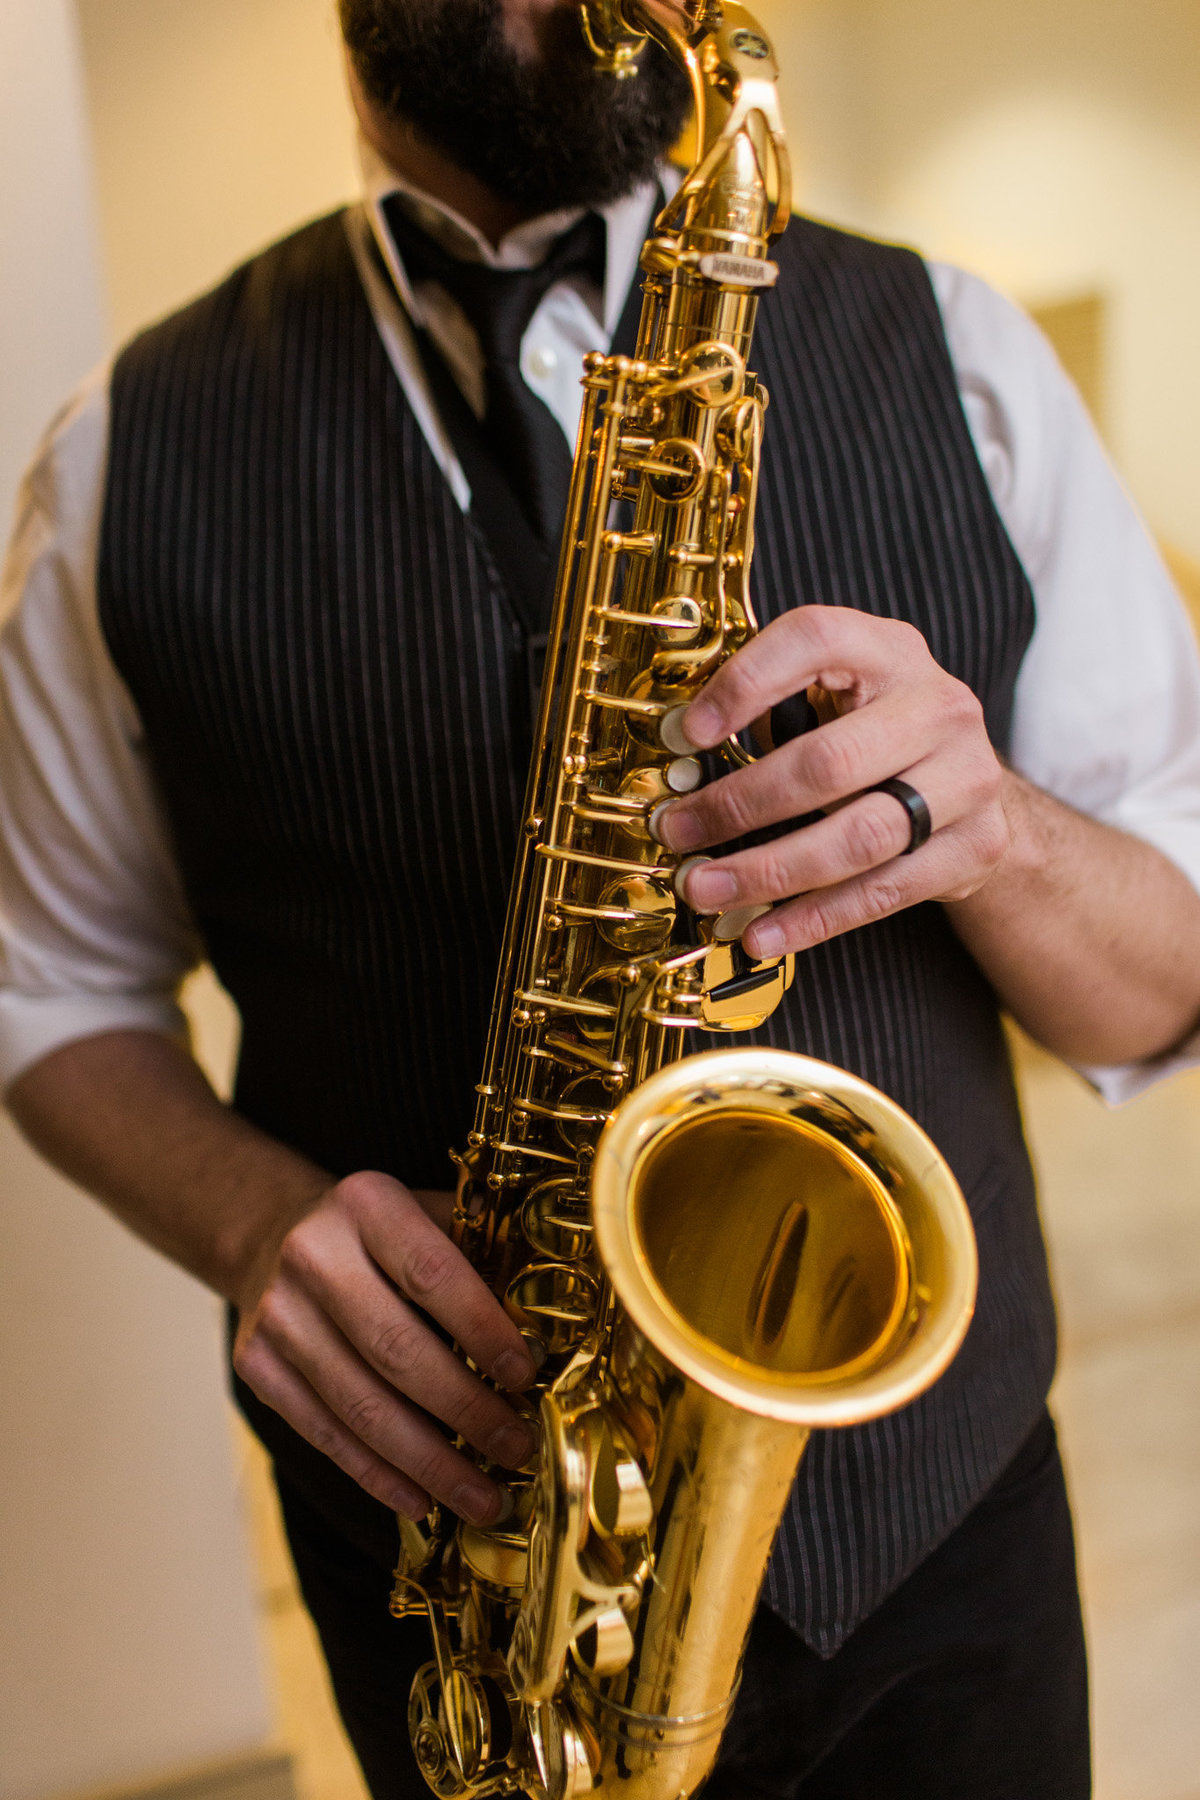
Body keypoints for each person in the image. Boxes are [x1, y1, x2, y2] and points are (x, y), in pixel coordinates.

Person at [3, 1, 1200, 1794]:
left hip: (943, 1546)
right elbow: (50, 989)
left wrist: (1004, 832)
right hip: (462, 1580)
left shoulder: (965, 352)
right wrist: (252, 1225)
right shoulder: (117, 457)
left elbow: (1165, 985)